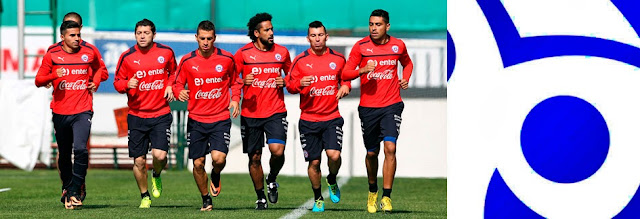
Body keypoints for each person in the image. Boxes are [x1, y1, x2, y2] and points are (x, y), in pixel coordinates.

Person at [342, 9, 414, 213]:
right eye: (371, 24)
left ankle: (386, 197)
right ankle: (372, 191)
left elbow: (407, 63)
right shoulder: (361, 46)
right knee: (372, 153)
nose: (374, 28)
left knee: (390, 148)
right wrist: (361, 71)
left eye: (378, 24)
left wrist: (405, 78)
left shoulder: (398, 45)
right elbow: (346, 72)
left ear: (387, 26)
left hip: (392, 104)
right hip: (368, 108)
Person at [172, 20, 241, 211]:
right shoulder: (187, 60)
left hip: (220, 118)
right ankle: (205, 199)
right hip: (196, 120)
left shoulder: (227, 59)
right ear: (196, 38)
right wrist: (179, 92)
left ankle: (216, 174)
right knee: (197, 163)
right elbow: (177, 84)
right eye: (202, 38)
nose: (205, 42)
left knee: (218, 159)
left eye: (209, 39)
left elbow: (236, 82)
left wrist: (235, 99)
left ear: (214, 38)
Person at [35, 20, 103, 210]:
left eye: (79, 35)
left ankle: (76, 189)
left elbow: (100, 69)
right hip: (60, 111)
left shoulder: (89, 52)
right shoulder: (53, 54)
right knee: (64, 154)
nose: (77, 39)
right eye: (72, 35)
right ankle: (67, 187)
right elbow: (39, 80)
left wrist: (95, 82)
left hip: (83, 110)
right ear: (62, 37)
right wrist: (53, 75)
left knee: (81, 149)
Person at [285, 21, 351, 212]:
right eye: (313, 36)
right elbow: (289, 85)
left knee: (334, 155)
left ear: (326, 36)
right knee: (314, 162)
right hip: (308, 120)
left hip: (331, 117)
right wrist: (299, 84)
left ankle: (331, 178)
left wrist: (346, 85)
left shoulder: (338, 58)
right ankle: (318, 198)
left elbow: (345, 77)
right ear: (308, 38)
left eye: (320, 35)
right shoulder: (300, 60)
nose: (317, 39)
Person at [113, 18, 177, 208]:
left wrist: (169, 86)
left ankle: (156, 175)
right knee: (139, 161)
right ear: (135, 35)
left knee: (159, 156)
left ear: (153, 34)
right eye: (139, 33)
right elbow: (117, 82)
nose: (142, 36)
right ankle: (144, 196)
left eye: (146, 33)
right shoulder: (127, 57)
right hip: (137, 115)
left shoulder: (165, 52)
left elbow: (174, 73)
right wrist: (127, 84)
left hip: (160, 113)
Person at [233, 12, 291, 210]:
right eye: (267, 30)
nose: (271, 32)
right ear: (257, 33)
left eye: (272, 28)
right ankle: (260, 197)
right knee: (255, 157)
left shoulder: (282, 52)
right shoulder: (242, 54)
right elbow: (231, 80)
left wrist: (287, 82)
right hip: (250, 114)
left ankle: (272, 178)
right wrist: (241, 83)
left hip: (275, 111)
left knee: (278, 151)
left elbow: (292, 77)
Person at [47, 12, 108, 84]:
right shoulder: (53, 49)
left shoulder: (91, 50)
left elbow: (103, 74)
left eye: (75, 25)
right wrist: (49, 80)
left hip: (82, 93)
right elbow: (46, 73)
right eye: (67, 24)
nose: (70, 27)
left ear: (80, 27)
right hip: (60, 94)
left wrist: (82, 73)